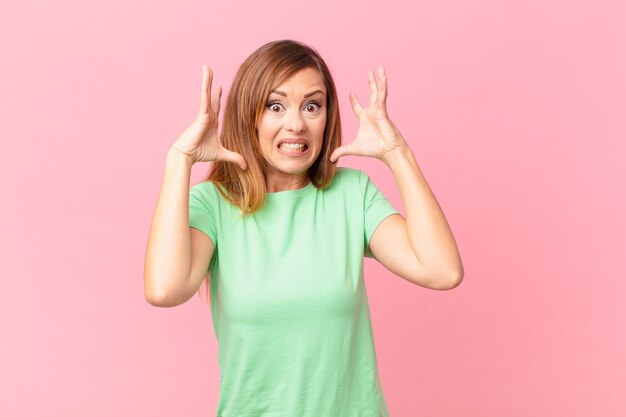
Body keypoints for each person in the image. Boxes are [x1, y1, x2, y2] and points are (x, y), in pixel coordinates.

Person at [144, 39, 464, 417]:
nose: (296, 124)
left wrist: (397, 154)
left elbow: (443, 271)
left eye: (312, 106)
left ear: (327, 117)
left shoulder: (352, 194)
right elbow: (165, 290)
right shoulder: (213, 204)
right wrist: (179, 159)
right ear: (250, 116)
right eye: (275, 106)